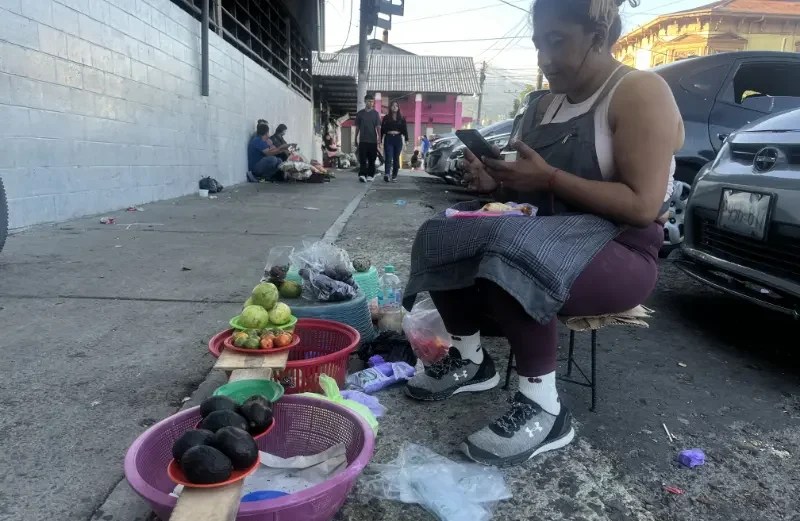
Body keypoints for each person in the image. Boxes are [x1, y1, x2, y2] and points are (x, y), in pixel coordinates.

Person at [403, 0, 682, 467]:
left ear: (599, 34)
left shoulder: (638, 92)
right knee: (441, 232)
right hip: (543, 231)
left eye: (557, 41)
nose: (544, 58)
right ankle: (471, 362)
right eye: (538, 43)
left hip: (619, 248)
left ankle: (544, 408)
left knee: (515, 253)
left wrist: (549, 180)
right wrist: (495, 180)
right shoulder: (542, 104)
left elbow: (642, 206)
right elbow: (523, 187)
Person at [354, 94, 382, 182]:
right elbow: (357, 127)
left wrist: (379, 138)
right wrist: (355, 138)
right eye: (369, 101)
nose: (371, 103)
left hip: (373, 140)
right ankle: (362, 174)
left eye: (372, 101)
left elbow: (378, 127)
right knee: (362, 159)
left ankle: (370, 175)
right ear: (365, 101)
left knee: (371, 159)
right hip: (362, 140)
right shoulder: (360, 114)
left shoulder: (375, 114)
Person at [381, 101, 409, 182]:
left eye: (396, 105)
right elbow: (382, 129)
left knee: (396, 158)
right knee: (388, 157)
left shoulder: (402, 118)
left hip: (398, 139)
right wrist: (380, 140)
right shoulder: (386, 118)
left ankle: (394, 175)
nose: (394, 107)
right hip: (388, 138)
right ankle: (387, 174)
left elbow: (405, 129)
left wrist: (406, 140)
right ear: (390, 107)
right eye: (393, 105)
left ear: (398, 107)